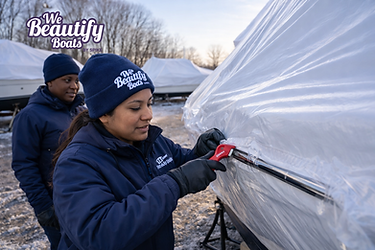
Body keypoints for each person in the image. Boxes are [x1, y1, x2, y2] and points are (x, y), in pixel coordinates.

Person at [52, 53, 226, 250]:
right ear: (104, 114)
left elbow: (179, 162)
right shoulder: (76, 164)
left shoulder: (152, 141)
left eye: (149, 103)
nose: (149, 115)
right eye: (135, 108)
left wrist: (199, 152)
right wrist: (176, 183)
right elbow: (99, 234)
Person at [11, 53, 85, 250]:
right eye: (67, 80)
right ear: (50, 82)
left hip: (84, 198)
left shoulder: (79, 112)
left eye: (77, 80)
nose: (74, 86)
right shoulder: (30, 116)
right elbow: (24, 165)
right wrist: (44, 207)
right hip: (55, 205)